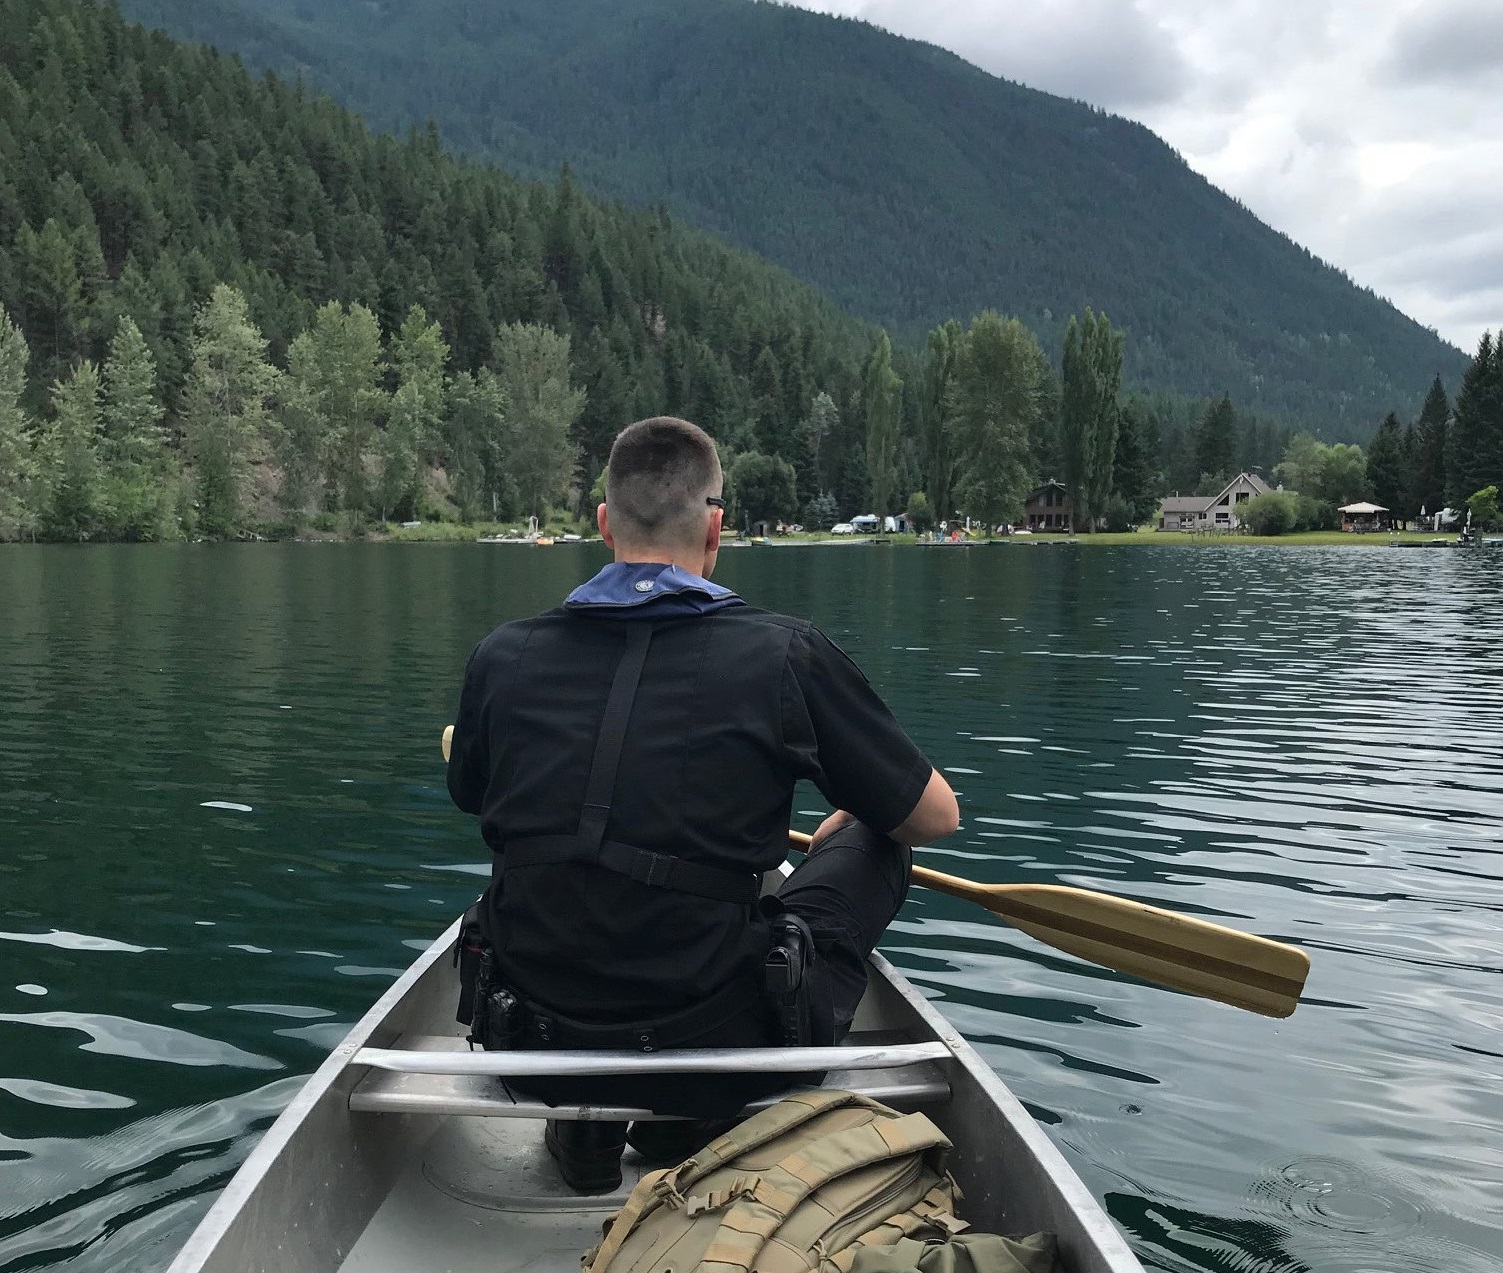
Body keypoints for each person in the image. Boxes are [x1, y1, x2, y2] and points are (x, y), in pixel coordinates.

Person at [446, 416, 959, 1194]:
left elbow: (476, 797)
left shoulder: (501, 656)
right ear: (716, 525)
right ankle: (686, 1120)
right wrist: (847, 825)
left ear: (601, 524)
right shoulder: (784, 652)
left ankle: (584, 1124)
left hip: (531, 1029)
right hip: (715, 1035)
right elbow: (934, 816)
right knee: (879, 841)